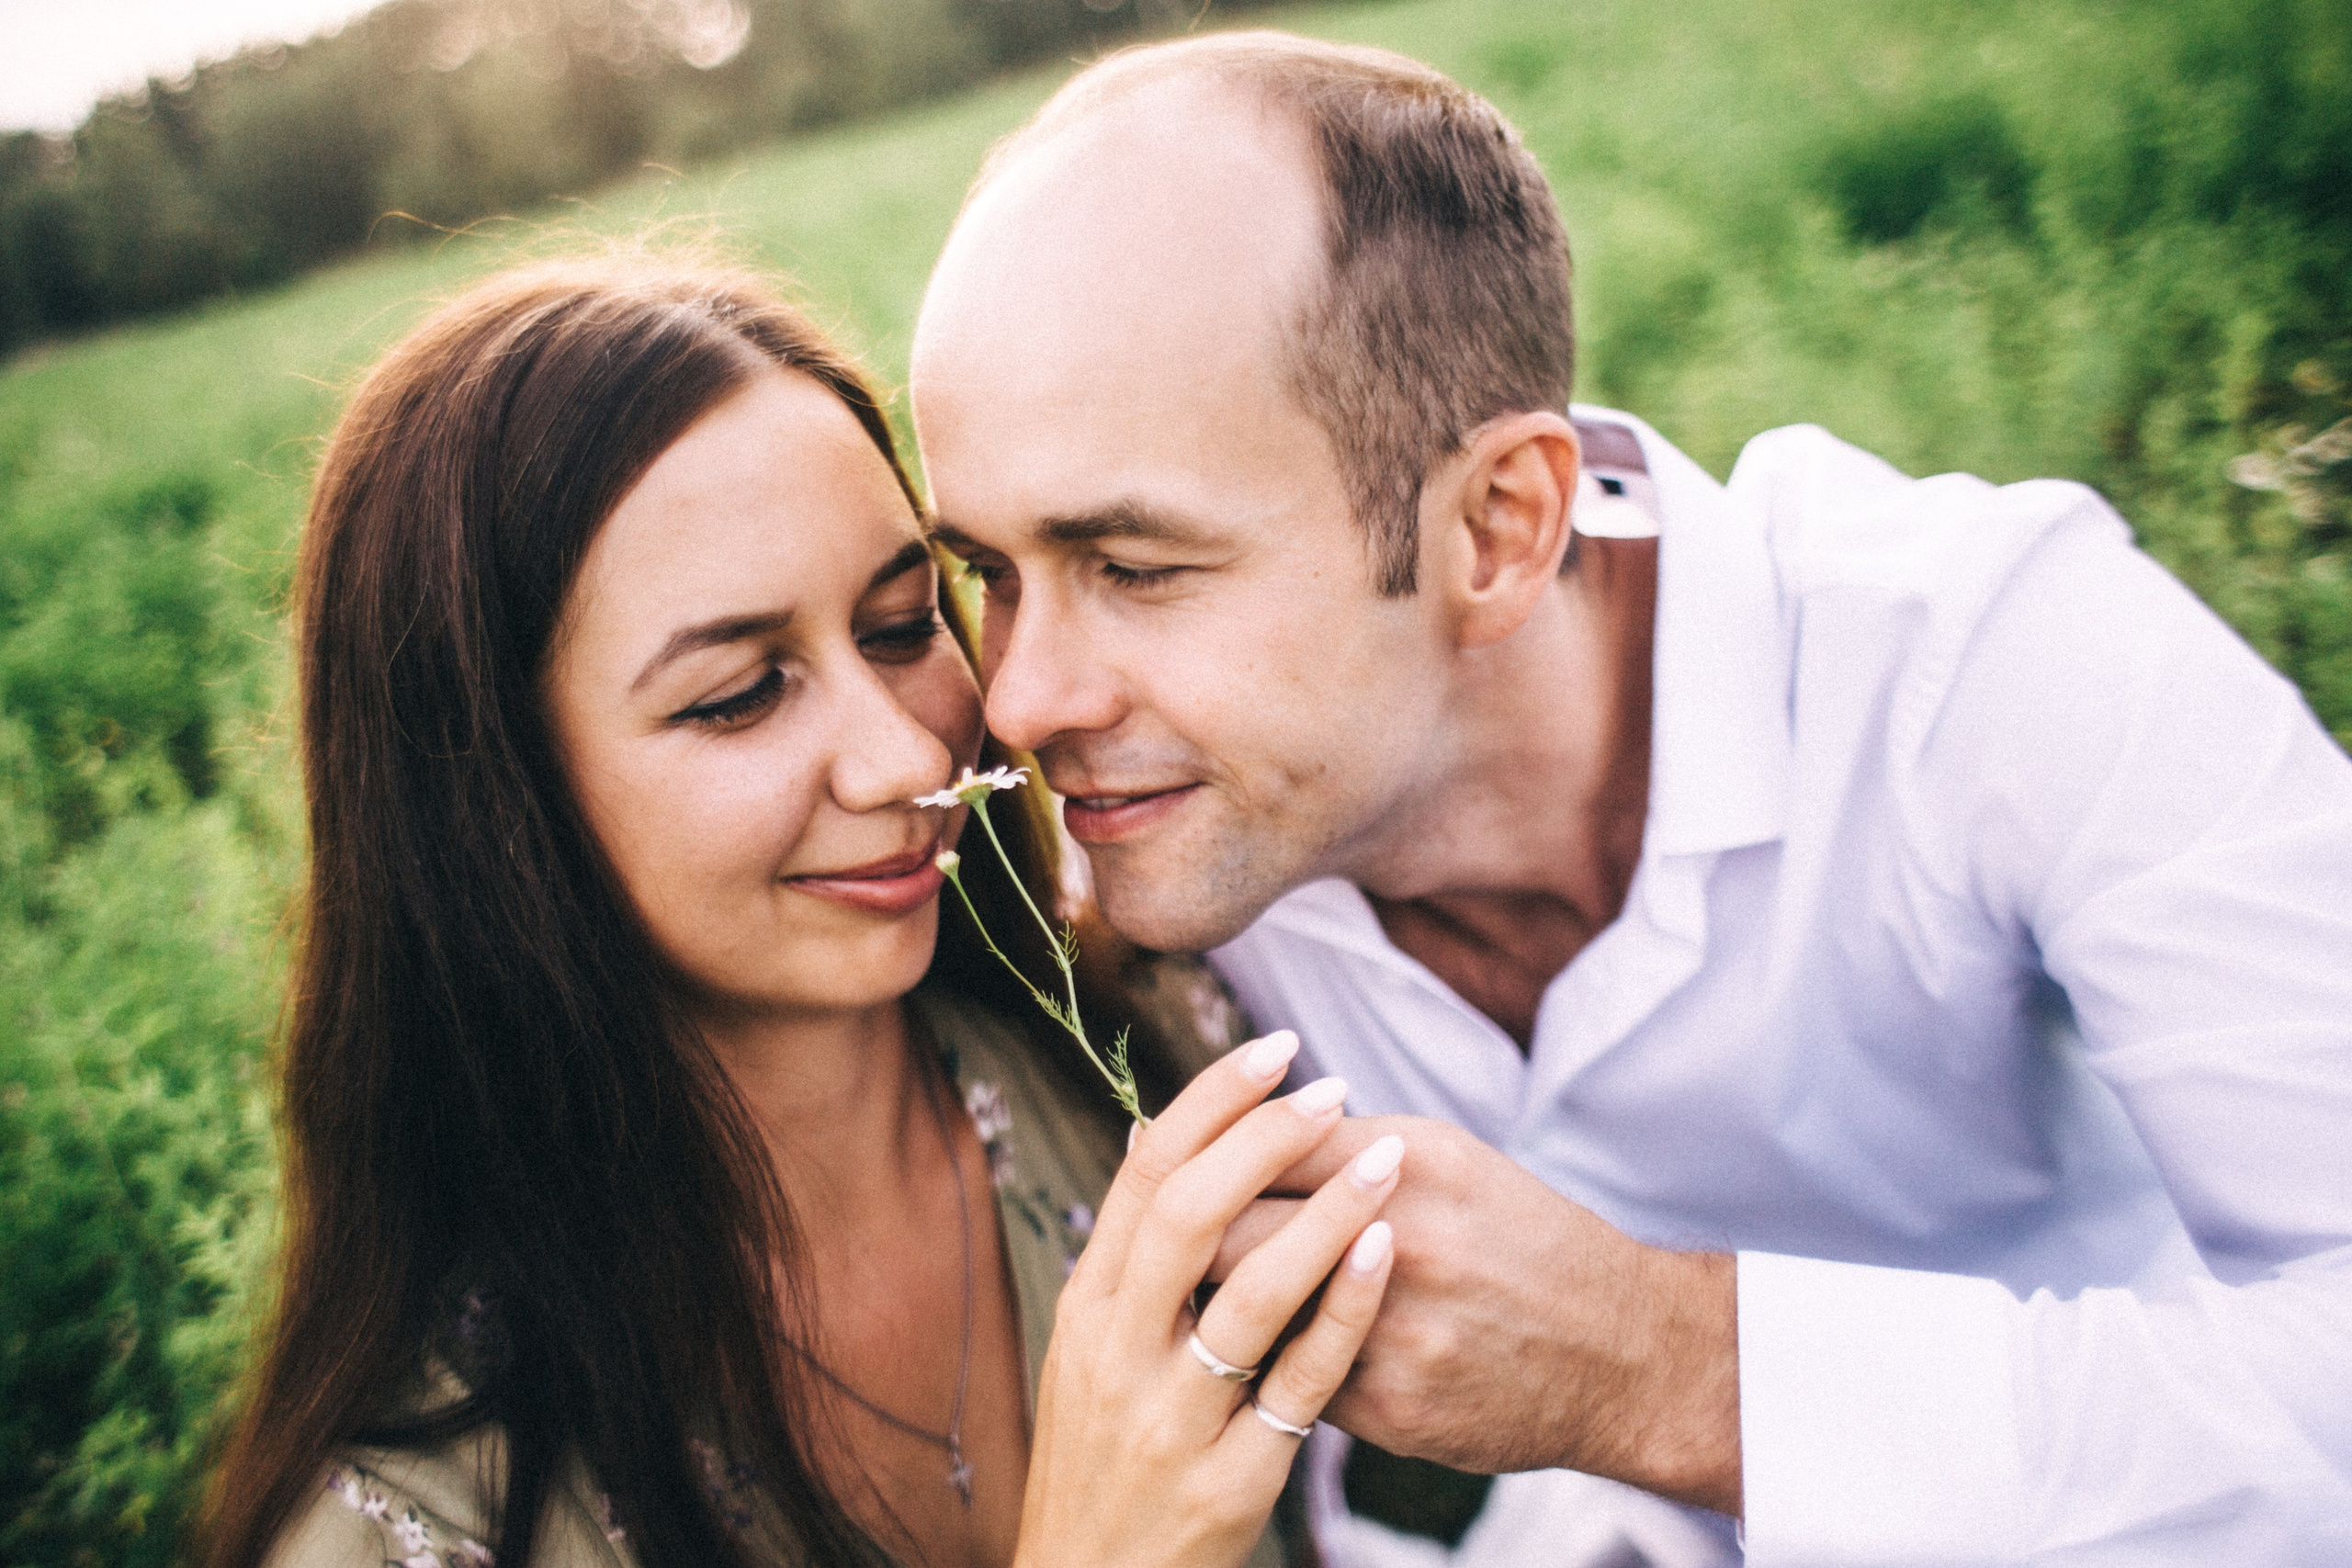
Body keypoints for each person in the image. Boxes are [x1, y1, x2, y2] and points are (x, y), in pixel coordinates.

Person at [906, 30, 2352, 1568]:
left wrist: (1669, 1373)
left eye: (1133, 569)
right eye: (984, 574)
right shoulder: (1180, 866)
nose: (1021, 699)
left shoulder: (1988, 667)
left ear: (1499, 527)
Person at [194, 255, 1408, 1568]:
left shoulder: (1156, 1040)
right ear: (493, 796)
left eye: (900, 624)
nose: (905, 759)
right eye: (737, 695)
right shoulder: (415, 1530)